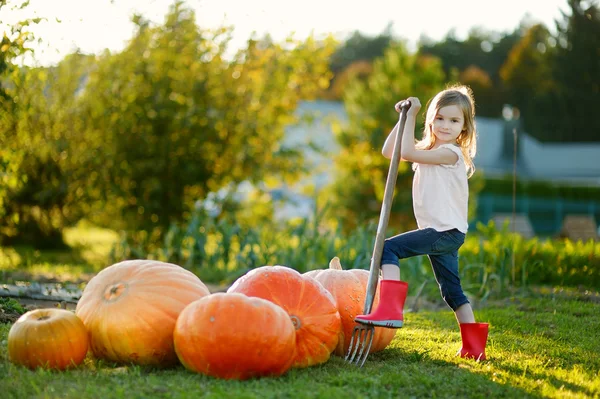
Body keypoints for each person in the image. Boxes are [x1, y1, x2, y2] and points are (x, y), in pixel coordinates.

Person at [355, 85, 489, 361]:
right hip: (445, 232)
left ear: (464, 128)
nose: (445, 125)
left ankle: (391, 310)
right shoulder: (429, 150)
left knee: (387, 248)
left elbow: (407, 151)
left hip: (443, 231)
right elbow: (389, 151)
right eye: (439, 118)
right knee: (452, 292)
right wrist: (403, 118)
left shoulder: (450, 154)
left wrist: (413, 113)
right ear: (431, 119)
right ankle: (474, 349)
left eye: (454, 121)